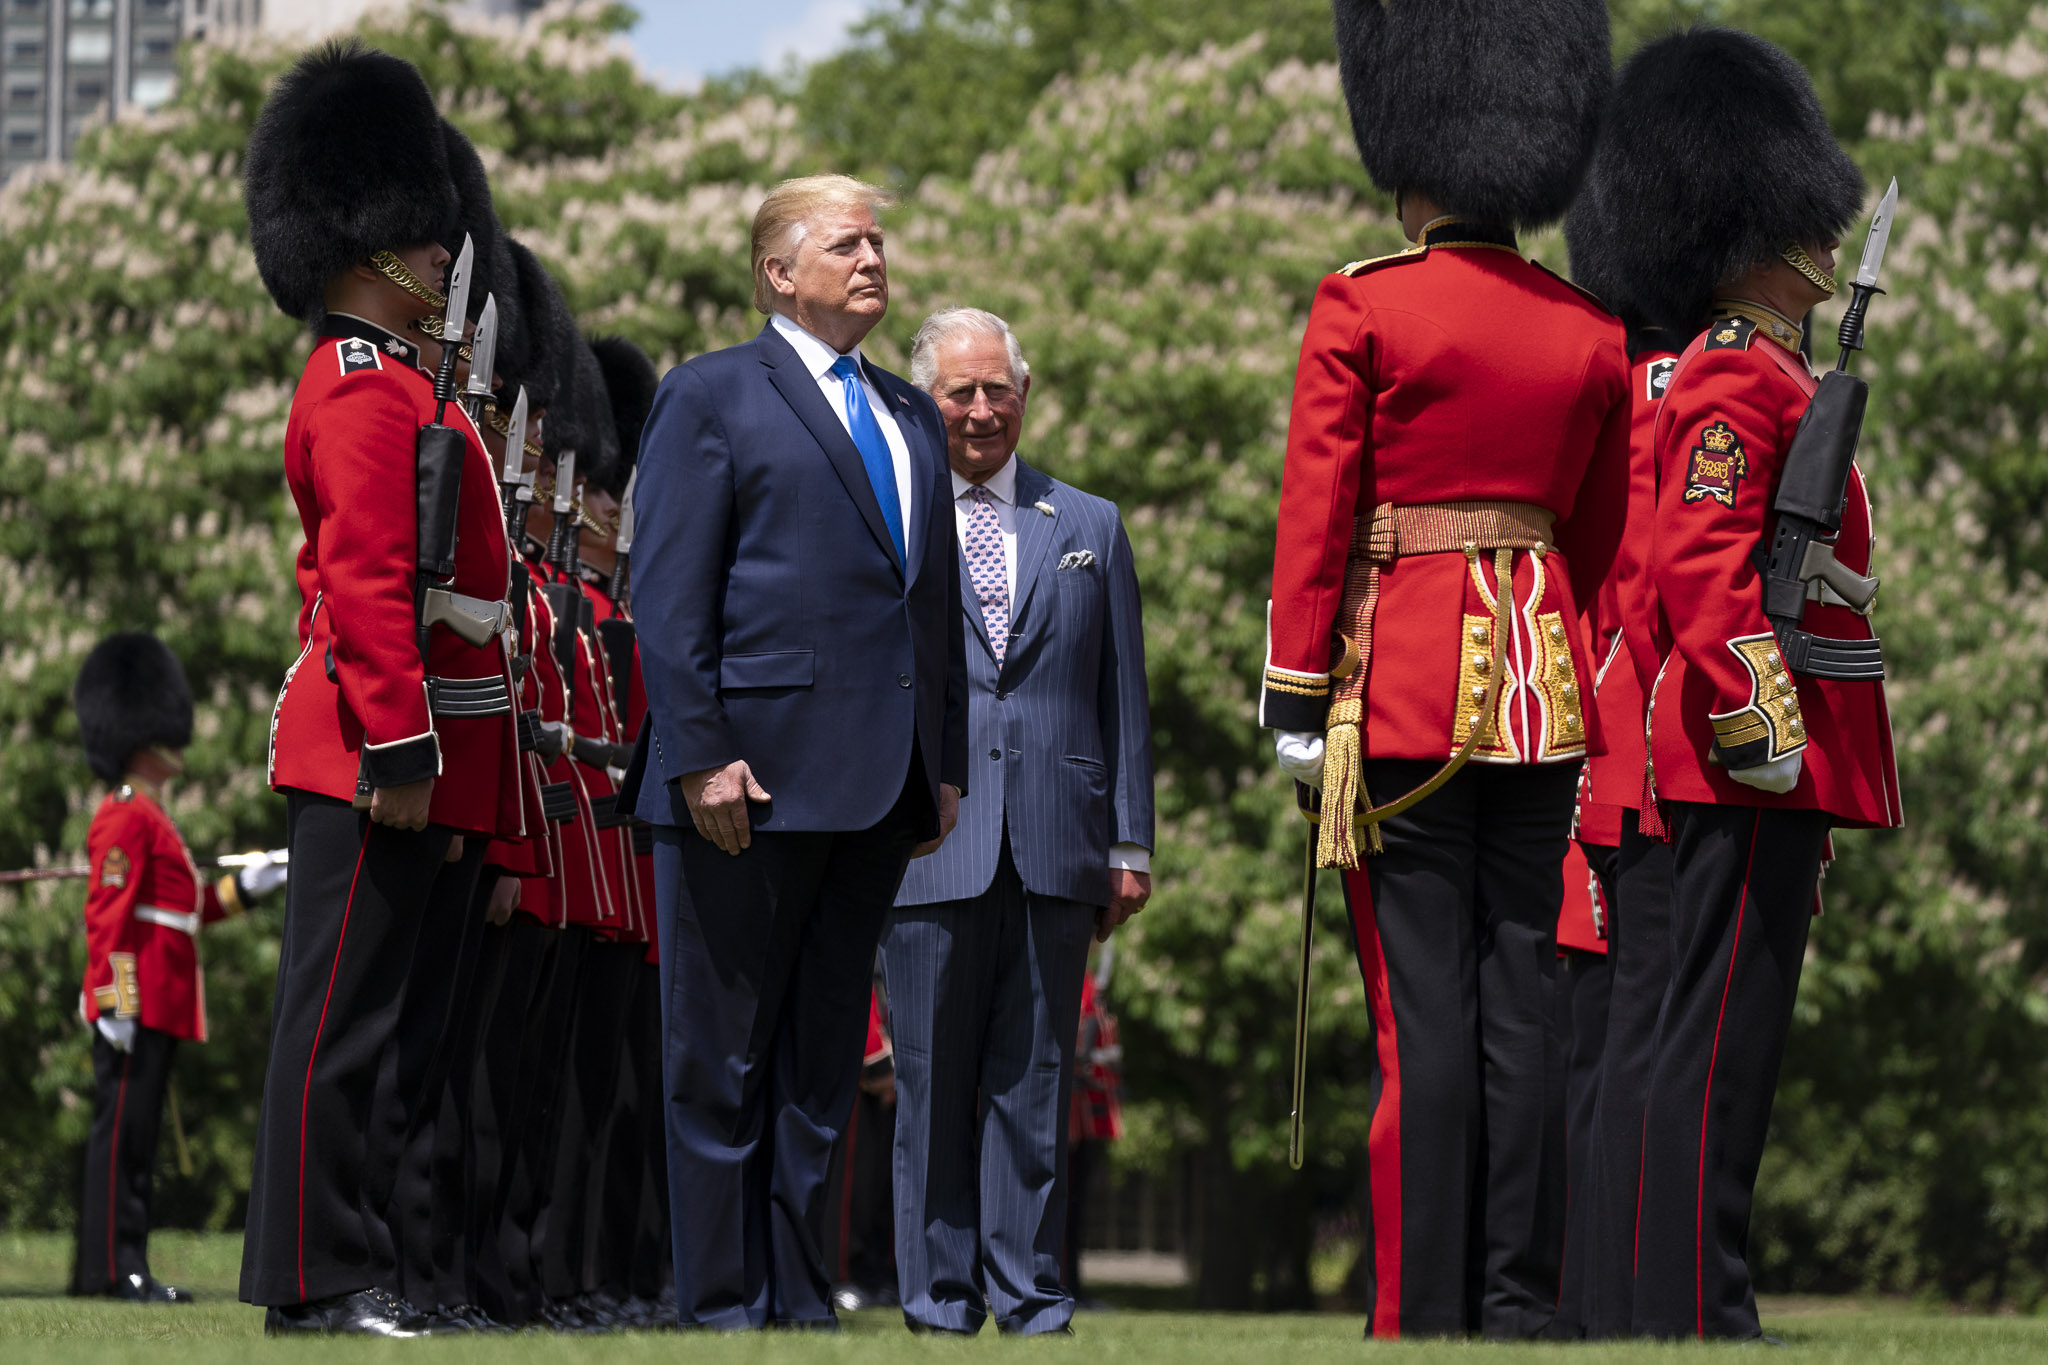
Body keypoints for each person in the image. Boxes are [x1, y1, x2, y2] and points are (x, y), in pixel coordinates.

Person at [1259, 0, 1627, 1339]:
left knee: (1423, 1021)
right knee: (1522, 1005)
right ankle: (1519, 1298)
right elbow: (1596, 540)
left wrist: (1297, 701)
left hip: (1403, 689)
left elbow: (1319, 511)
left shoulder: (1368, 302)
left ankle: (1422, 1305)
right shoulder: (1589, 329)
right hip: (1546, 694)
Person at [1589, 28, 1903, 1340]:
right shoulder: (1729, 373)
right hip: (1743, 749)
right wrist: (1754, 706)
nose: (1829, 252)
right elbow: (1702, 562)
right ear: (1748, 229)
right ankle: (1692, 1304)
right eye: (1806, 229)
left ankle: (1695, 1291)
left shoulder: (1775, 370)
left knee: (1730, 1047)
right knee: (1712, 1046)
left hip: (1772, 747)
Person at [623, 173, 969, 1330]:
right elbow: (667, 596)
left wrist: (946, 760)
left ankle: (799, 1306)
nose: (873, 259)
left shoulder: (912, 416)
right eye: (845, 244)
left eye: (879, 239)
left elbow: (931, 606)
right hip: (744, 787)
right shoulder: (710, 395)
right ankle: (719, 1308)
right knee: (718, 1065)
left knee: (822, 1073)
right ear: (778, 272)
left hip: (878, 789)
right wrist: (699, 754)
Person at [240, 42, 525, 1336]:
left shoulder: (404, 381)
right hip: (363, 750)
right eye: (419, 237)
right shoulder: (359, 386)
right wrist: (401, 749)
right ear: (368, 246)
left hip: (391, 749)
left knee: (381, 1023)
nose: (436, 258)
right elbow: (366, 584)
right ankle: (311, 1273)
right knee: (337, 1030)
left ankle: (357, 1263)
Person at [881, 306, 1155, 1337]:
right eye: (961, 391)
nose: (983, 408)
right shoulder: (889, 522)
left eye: (999, 388)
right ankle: (936, 1297)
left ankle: (1030, 1294)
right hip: (924, 841)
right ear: (925, 402)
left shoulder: (1088, 525)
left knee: (1034, 1084)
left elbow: (1122, 694)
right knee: (929, 1083)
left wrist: (1130, 842)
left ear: (1025, 394)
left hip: (1056, 838)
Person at [1555, 77, 1692, 1339]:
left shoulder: (1612, 372)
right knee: (1649, 1040)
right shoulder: (1670, 389)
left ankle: (1600, 1298)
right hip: (1649, 756)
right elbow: (1651, 587)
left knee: (1609, 1045)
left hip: (1601, 753)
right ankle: (1635, 1301)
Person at [69, 633, 287, 1304]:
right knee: (123, 1140)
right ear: (141, 733)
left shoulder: (153, 817)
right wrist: (119, 1002)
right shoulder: (127, 816)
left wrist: (254, 883)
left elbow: (187, 907)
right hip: (136, 1002)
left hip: (158, 998)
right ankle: (111, 1269)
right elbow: (108, 918)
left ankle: (116, 1264)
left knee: (137, 1139)